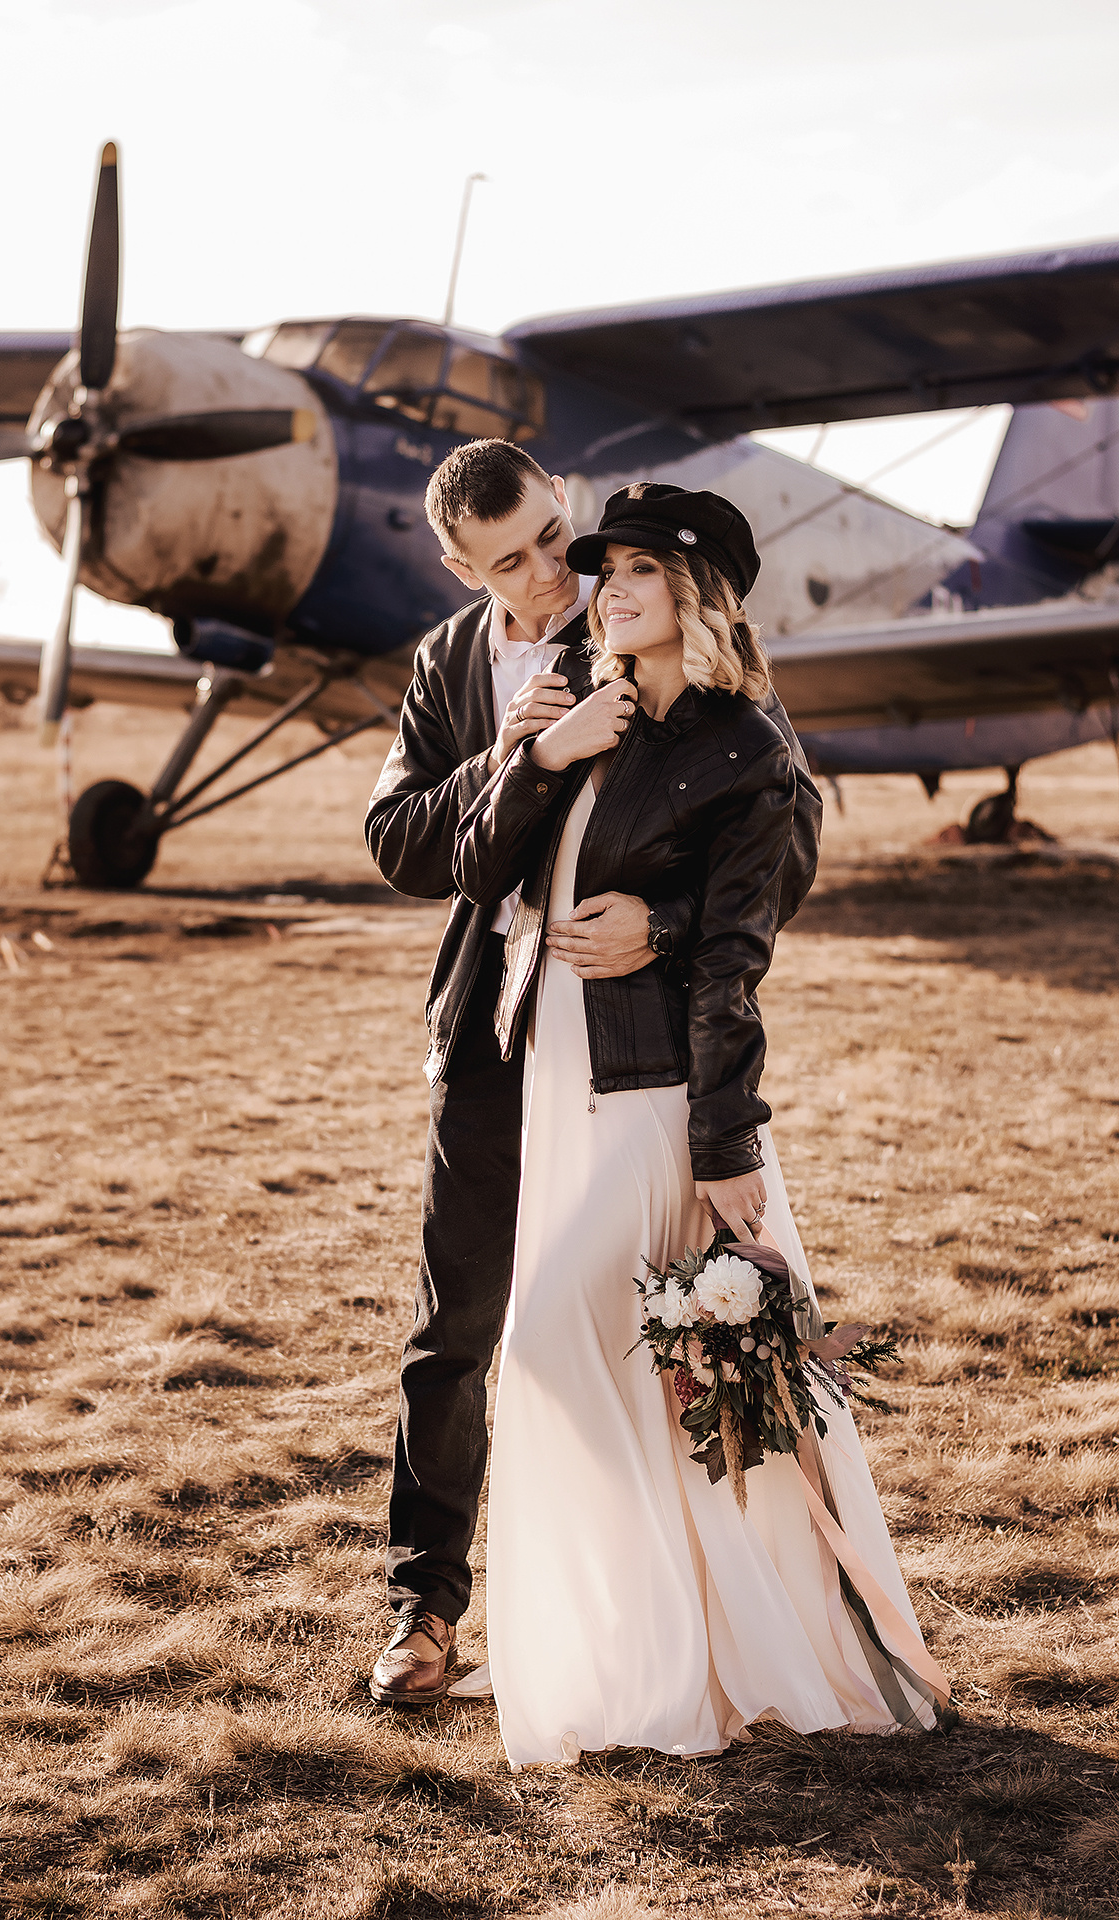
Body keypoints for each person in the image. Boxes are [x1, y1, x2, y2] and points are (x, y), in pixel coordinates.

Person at [453, 482, 951, 1766]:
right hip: (560, 1063)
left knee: (558, 1343)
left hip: (660, 1089)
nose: (599, 591)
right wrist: (536, 755)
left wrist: (723, 1147)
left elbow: (735, 957)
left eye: (632, 574)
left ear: (696, 597)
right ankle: (660, 1623)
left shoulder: (748, 753)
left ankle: (697, 1624)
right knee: (636, 1373)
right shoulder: (587, 706)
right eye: (601, 568)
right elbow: (476, 867)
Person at [364, 448, 815, 1708]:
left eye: (557, 536)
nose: (555, 573)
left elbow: (777, 850)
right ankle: (426, 1605)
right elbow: (404, 845)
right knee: (453, 1323)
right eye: (511, 561)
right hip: (492, 1028)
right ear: (463, 571)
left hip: (619, 1048)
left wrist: (661, 926)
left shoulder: (645, 625)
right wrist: (523, 754)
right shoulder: (447, 661)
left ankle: (678, 1603)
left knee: (609, 1325)